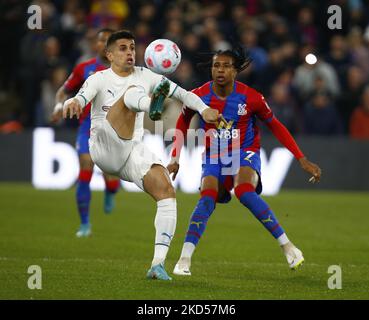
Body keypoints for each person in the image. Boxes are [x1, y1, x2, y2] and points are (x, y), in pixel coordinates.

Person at [62, 30, 220, 280]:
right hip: (103, 146)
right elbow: (81, 97)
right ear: (109, 54)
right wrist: (73, 102)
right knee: (130, 95)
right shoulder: (98, 79)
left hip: (131, 150)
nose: (129, 53)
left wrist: (204, 108)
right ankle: (151, 107)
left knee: (167, 191)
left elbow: (182, 94)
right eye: (123, 48)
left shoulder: (146, 75)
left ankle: (158, 265)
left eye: (132, 47)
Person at [167, 47, 322, 276]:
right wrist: (175, 158)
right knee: (207, 196)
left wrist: (301, 158)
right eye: (216, 65)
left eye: (226, 66)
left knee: (244, 190)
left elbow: (276, 126)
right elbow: (182, 122)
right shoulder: (197, 95)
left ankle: (288, 247)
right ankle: (184, 259)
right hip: (214, 155)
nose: (220, 70)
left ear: (236, 71)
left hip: (245, 152)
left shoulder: (252, 97)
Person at [51, 28, 121, 238]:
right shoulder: (85, 68)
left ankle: (110, 191)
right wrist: (58, 105)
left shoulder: (125, 70)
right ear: (96, 44)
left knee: (111, 176)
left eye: (109, 41)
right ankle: (84, 224)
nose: (103, 44)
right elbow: (64, 90)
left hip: (115, 129)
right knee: (85, 168)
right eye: (101, 40)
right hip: (87, 127)